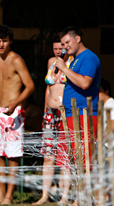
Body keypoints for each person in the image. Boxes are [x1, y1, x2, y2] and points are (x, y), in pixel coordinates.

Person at [0, 25, 34, 205]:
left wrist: (16, 103)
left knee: (12, 154)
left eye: (4, 41)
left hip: (14, 112)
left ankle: (9, 195)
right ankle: (0, 193)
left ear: (10, 41)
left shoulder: (16, 60)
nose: (1, 44)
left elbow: (30, 85)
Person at [33, 35, 72, 205]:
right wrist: (44, 112)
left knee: (64, 156)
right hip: (50, 113)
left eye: (61, 48)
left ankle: (65, 195)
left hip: (64, 112)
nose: (58, 51)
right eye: (56, 48)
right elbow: (48, 90)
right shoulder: (51, 62)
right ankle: (45, 194)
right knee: (48, 156)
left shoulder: (72, 62)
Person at [55, 26, 101, 172]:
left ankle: (89, 193)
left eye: (67, 42)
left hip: (83, 114)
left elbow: (84, 83)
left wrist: (64, 68)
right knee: (70, 161)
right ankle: (73, 194)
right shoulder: (74, 60)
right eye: (63, 44)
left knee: (85, 161)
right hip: (70, 113)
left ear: (78, 39)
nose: (65, 47)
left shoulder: (88, 57)